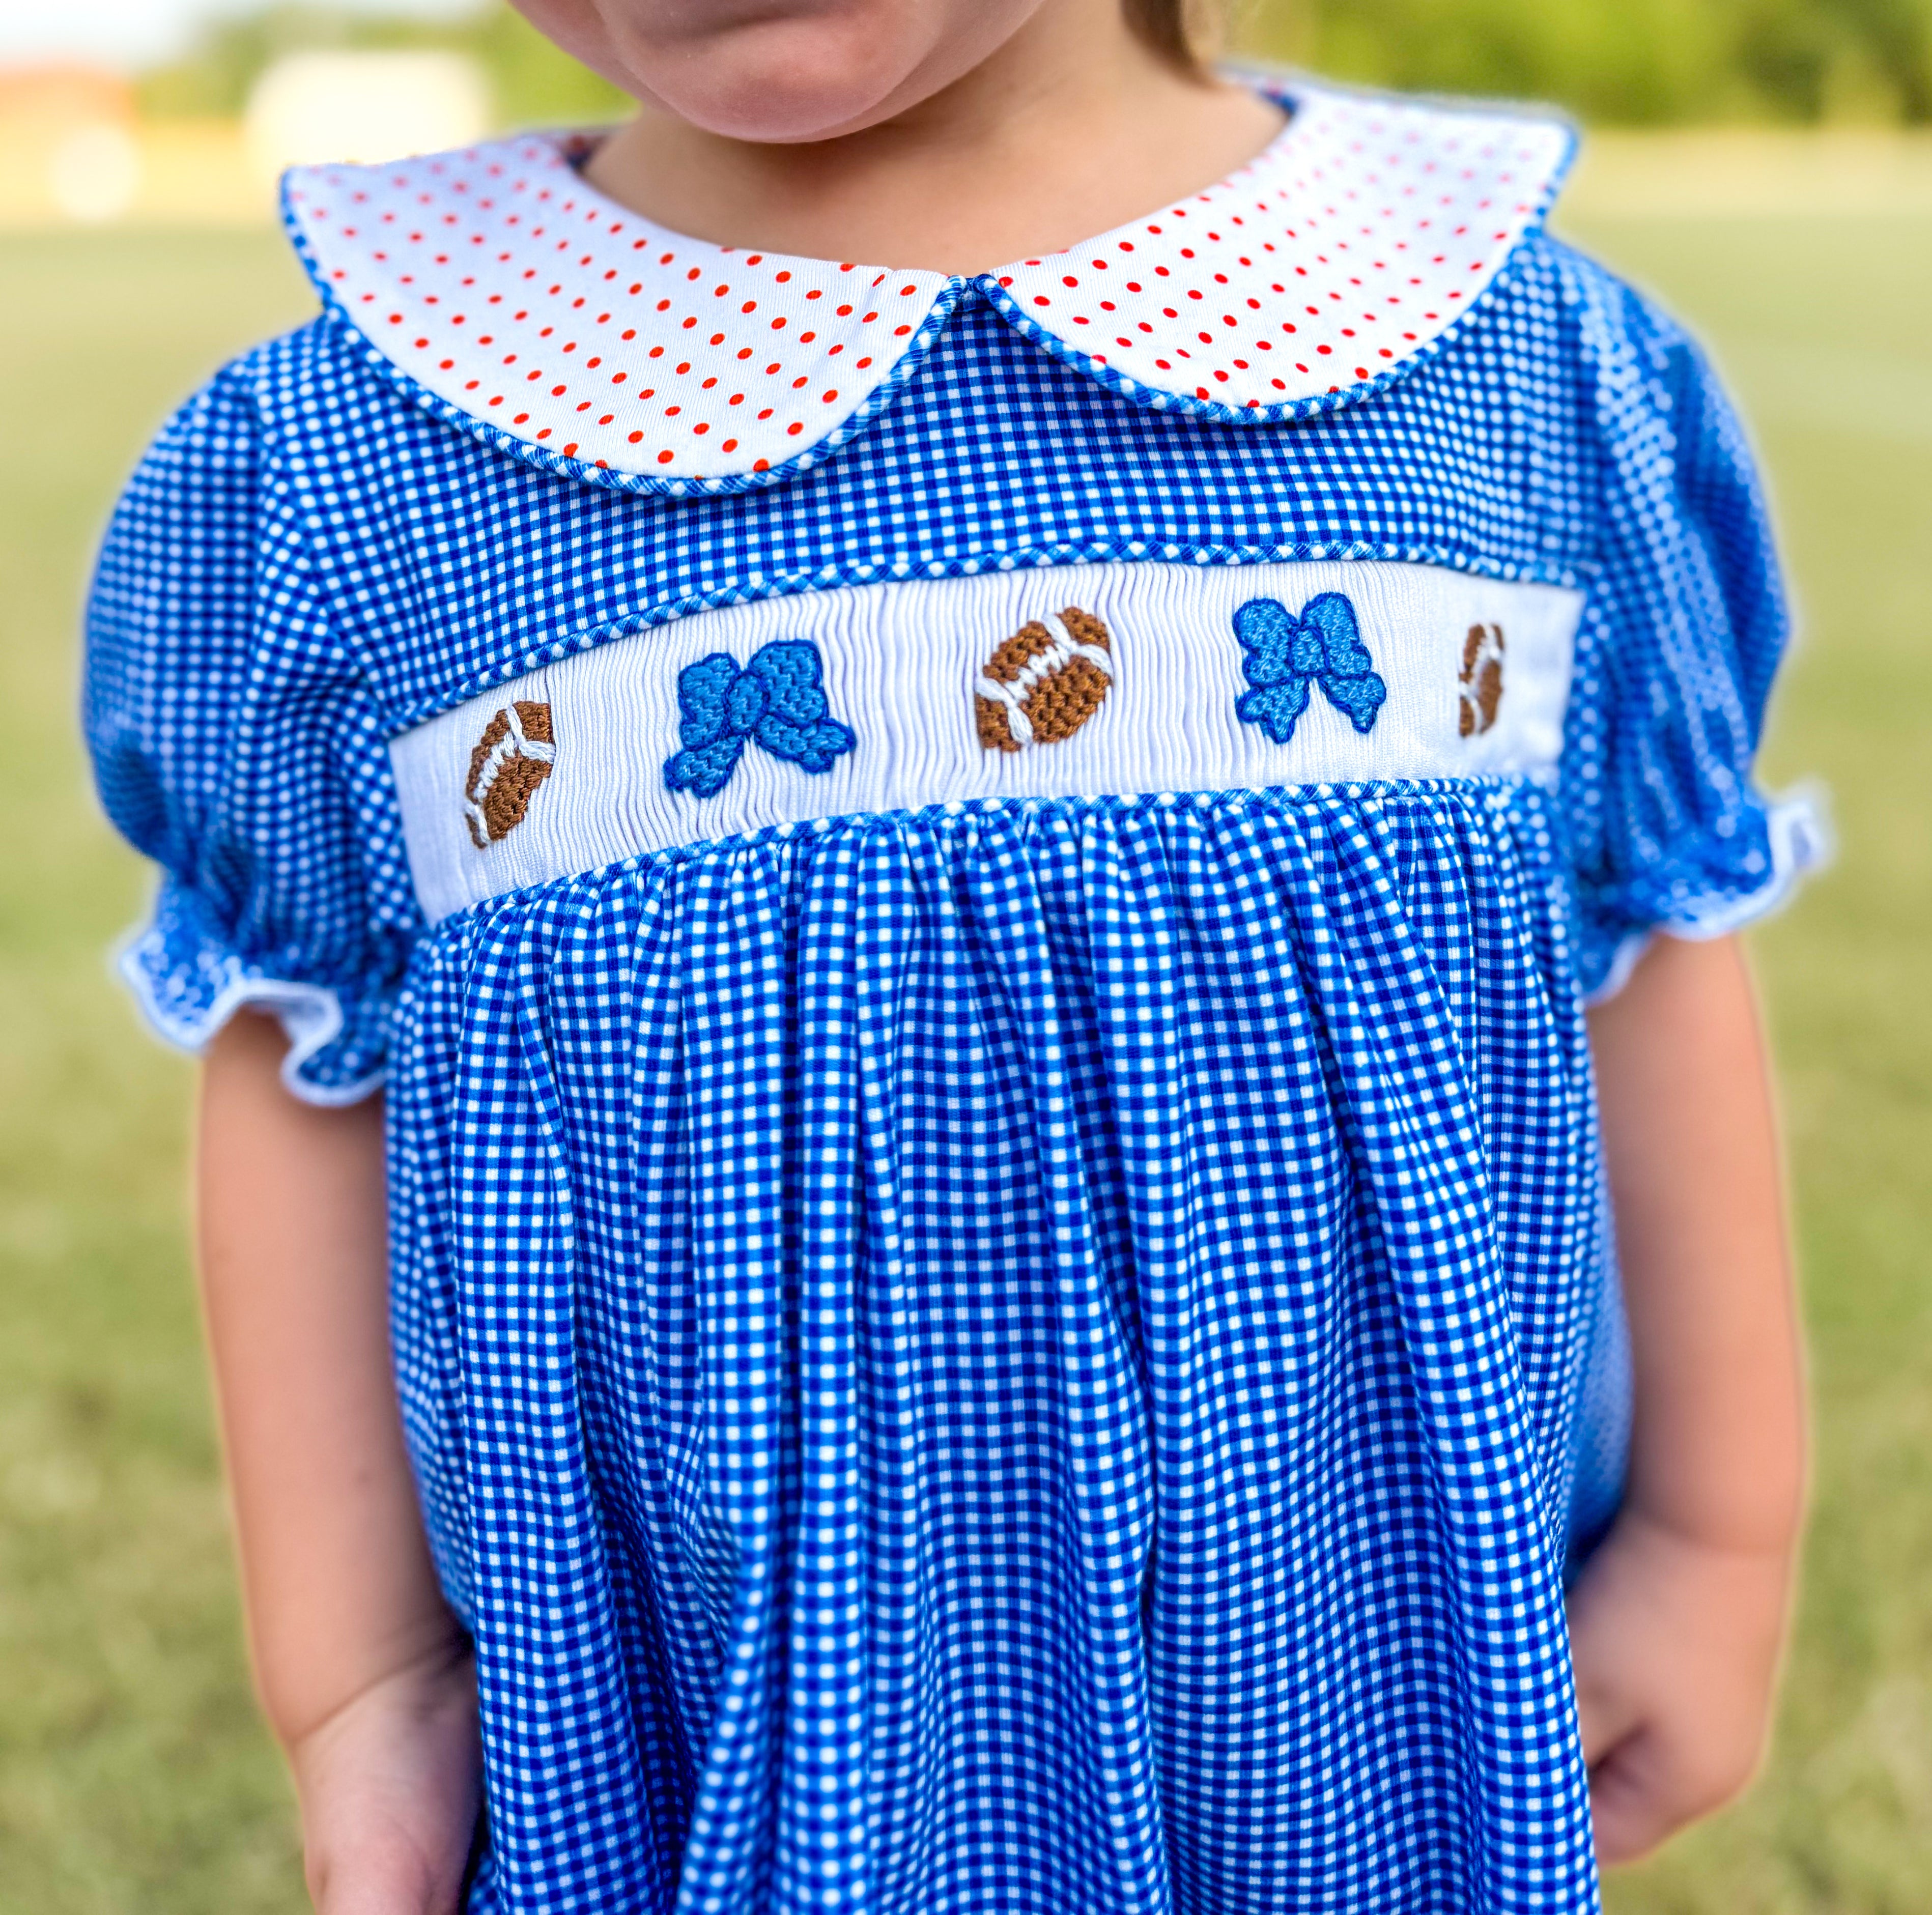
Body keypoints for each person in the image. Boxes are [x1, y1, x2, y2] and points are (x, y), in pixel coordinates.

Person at [83, 0, 1820, 1908]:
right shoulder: (352, 456)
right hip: (723, 1692)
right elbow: (310, 1044)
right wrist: (367, 1678)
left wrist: (1714, 1534)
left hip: (1355, 1660)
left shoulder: (1508, 355)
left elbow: (1647, 929)